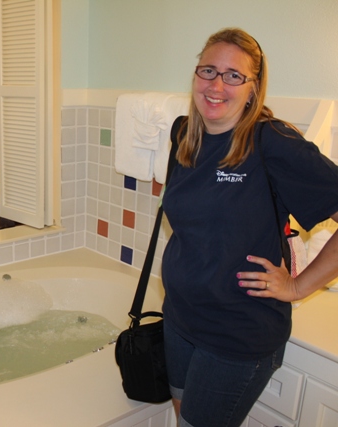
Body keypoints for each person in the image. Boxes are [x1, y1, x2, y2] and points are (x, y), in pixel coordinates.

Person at [161, 28, 338, 427]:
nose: (216, 85)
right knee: (181, 415)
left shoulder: (272, 141)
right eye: (208, 70)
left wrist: (298, 287)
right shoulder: (184, 134)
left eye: (233, 75)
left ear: (253, 87)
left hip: (236, 334)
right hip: (179, 319)